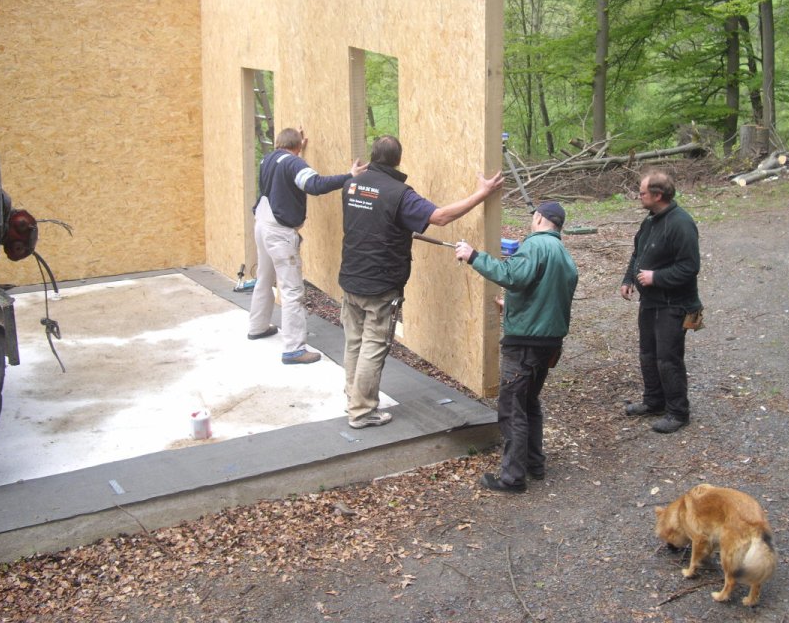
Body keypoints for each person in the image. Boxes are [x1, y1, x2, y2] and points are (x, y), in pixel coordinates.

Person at [338, 134, 504, 429]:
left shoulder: (352, 184)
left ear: (373, 156)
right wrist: (482, 193)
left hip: (351, 276)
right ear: (398, 160)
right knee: (373, 345)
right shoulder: (399, 193)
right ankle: (361, 411)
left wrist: (398, 229)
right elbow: (440, 217)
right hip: (380, 284)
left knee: (354, 342)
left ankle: (353, 398)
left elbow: (370, 218)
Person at [454, 201, 578, 493]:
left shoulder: (535, 246)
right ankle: (535, 464)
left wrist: (473, 256)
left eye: (533, 217)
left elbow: (511, 276)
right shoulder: (563, 254)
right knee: (529, 402)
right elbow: (544, 295)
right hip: (548, 343)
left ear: (539, 218)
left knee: (512, 408)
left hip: (524, 344)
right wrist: (511, 306)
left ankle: (512, 478)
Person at [248, 127, 366, 364]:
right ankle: (294, 349)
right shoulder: (293, 163)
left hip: (262, 225)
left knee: (264, 278)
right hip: (279, 233)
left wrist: (297, 147)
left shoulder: (269, 158)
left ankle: (258, 326)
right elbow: (315, 185)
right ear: (298, 147)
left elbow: (289, 166)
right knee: (292, 291)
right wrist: (349, 175)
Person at [620, 169, 702, 434]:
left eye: (642, 193)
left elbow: (690, 267)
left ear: (657, 195)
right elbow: (638, 254)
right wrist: (628, 279)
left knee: (668, 358)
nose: (639, 197)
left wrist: (656, 277)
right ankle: (654, 401)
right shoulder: (650, 220)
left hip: (675, 304)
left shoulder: (681, 224)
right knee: (648, 354)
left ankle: (678, 412)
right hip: (651, 302)